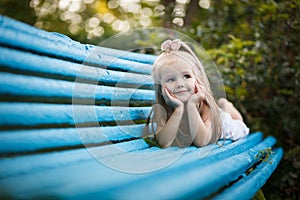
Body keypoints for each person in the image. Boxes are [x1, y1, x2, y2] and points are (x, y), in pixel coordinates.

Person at [144, 39, 249, 148]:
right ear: (161, 87)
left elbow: (202, 141)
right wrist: (178, 110)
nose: (180, 84)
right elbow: (164, 143)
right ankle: (224, 106)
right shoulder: (161, 109)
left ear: (197, 80)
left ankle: (227, 106)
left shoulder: (205, 106)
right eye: (171, 79)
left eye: (186, 76)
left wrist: (192, 105)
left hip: (224, 124)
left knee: (238, 123)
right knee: (223, 109)